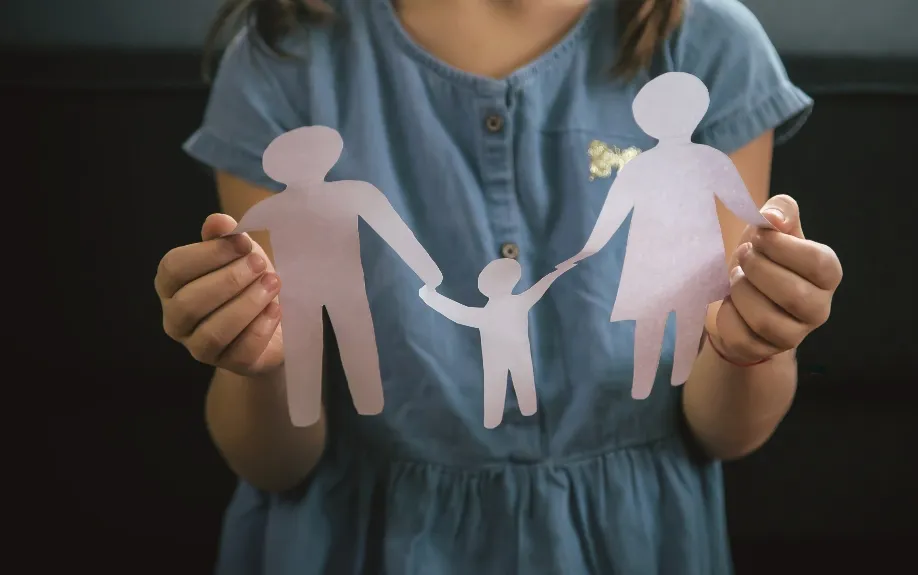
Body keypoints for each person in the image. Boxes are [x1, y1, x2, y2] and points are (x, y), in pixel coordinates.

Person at [155, 0, 843, 573]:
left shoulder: (710, 44)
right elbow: (273, 459)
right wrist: (256, 360)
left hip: (635, 541)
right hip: (356, 541)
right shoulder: (283, 59)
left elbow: (727, 427)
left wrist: (759, 334)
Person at [558, 71, 776, 401]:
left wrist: (772, 228)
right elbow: (743, 205)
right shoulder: (691, 161)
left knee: (672, 322)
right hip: (666, 257)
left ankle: (652, 385)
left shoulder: (653, 165)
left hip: (683, 259)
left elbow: (742, 205)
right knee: (672, 322)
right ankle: (650, 385)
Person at [228, 125, 443, 426]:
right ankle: (313, 411)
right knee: (317, 348)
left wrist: (427, 270)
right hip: (308, 294)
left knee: (347, 344)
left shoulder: (285, 205)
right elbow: (232, 236)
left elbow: (394, 230)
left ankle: (349, 408)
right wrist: (429, 272)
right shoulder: (291, 204)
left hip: (335, 291)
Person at [418, 259, 573, 429]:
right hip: (516, 354)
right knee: (519, 383)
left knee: (497, 386)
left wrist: (430, 297)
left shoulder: (488, 312)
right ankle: (527, 413)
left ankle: (496, 420)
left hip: (497, 358)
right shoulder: (519, 302)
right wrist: (557, 272)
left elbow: (458, 313)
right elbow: (540, 287)